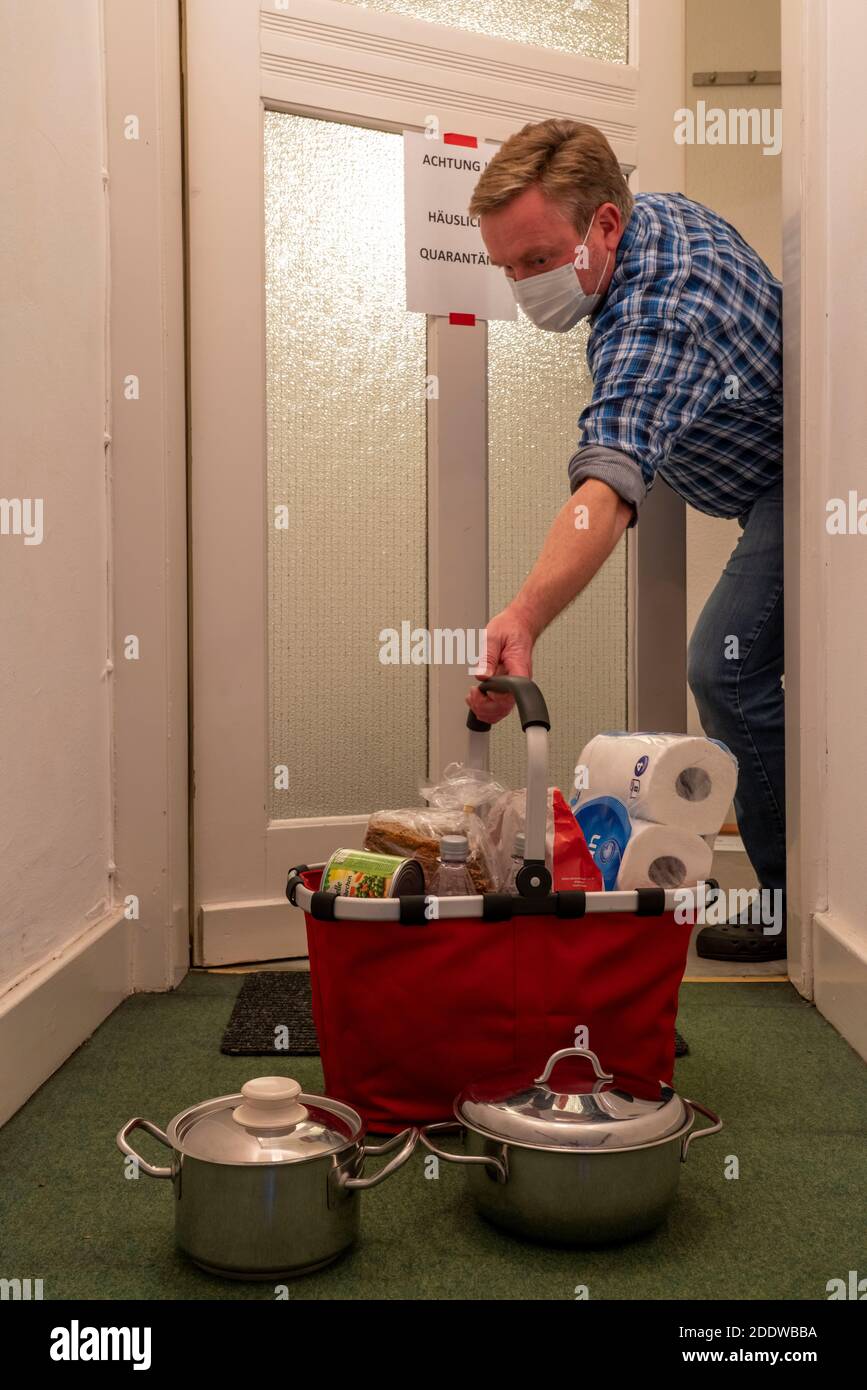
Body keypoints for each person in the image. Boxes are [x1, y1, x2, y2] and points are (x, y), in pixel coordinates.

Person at [464, 118, 785, 962]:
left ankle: (789, 900)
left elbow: (606, 485)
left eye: (536, 260)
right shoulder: (658, 218)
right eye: (507, 267)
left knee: (724, 663)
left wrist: (524, 615)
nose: (523, 286)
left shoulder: (661, 309)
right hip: (770, 478)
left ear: (604, 225)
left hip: (808, 480)